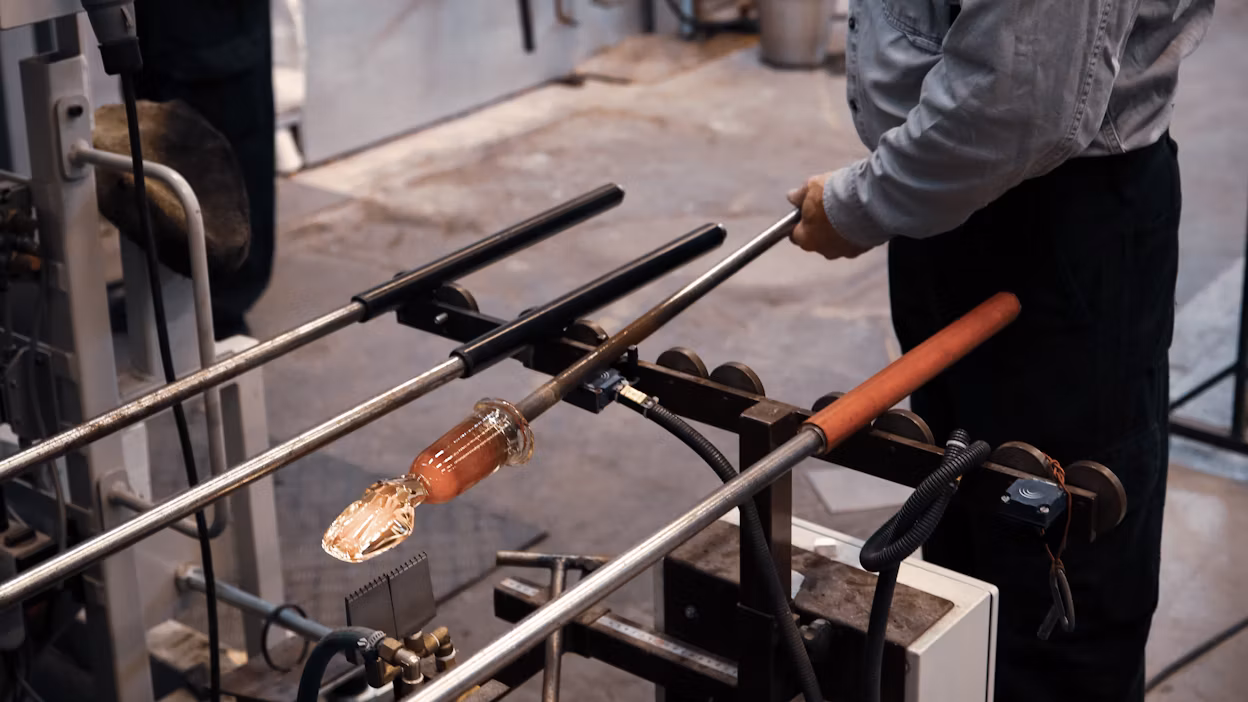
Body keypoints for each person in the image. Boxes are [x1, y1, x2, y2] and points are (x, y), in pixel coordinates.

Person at [785, 1, 1212, 700]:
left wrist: (862, 204)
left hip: (1054, 219)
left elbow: (1019, 101)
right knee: (963, 530)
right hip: (956, 196)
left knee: (1055, 573)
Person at [133, 0, 276, 340]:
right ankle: (172, 293)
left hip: (219, 35)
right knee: (158, 151)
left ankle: (224, 308)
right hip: (160, 31)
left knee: (229, 164)